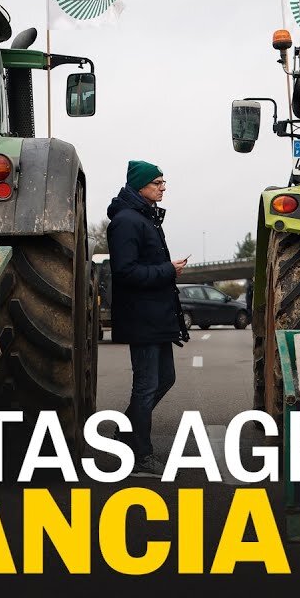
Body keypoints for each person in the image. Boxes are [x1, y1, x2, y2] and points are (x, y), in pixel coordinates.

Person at [106, 160, 190, 477]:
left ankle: (127, 435)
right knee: (145, 387)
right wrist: (169, 270)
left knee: (164, 379)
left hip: (155, 318)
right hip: (141, 318)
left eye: (163, 182)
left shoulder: (145, 218)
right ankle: (140, 455)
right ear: (141, 185)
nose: (163, 187)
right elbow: (125, 272)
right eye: (157, 182)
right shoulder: (127, 222)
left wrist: (167, 270)